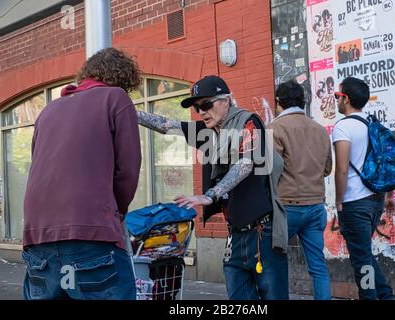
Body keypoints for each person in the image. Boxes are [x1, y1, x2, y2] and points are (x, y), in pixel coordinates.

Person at [137, 75, 289, 300]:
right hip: (235, 235)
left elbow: (246, 163)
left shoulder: (250, 122)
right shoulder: (208, 132)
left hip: (262, 234)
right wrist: (128, 111)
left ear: (225, 100)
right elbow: (167, 126)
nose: (201, 112)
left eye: (206, 105)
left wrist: (211, 195)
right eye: (198, 108)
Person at [22, 48, 142, 300]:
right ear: (123, 80)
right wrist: (114, 214)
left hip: (38, 237)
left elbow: (38, 165)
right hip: (90, 233)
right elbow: (128, 171)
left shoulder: (49, 110)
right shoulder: (116, 98)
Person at [332, 77, 395, 300]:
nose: (336, 101)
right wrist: (389, 195)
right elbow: (388, 161)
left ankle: (371, 297)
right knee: (364, 254)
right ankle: (386, 296)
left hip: (354, 203)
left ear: (346, 99)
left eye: (337, 97)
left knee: (361, 260)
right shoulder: (373, 123)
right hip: (375, 200)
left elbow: (341, 169)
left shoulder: (343, 127)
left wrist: (339, 201)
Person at [268, 80, 332, 300]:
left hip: (287, 208)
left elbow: (269, 170)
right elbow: (327, 169)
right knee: (318, 267)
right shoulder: (320, 129)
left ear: (278, 103)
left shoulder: (274, 128)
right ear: (304, 101)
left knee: (274, 263)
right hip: (316, 206)